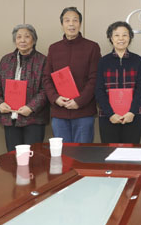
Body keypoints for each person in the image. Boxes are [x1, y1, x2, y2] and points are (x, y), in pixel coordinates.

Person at [43, 7, 101, 143]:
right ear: (62, 24)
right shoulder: (54, 48)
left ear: (80, 24)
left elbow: (95, 78)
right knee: (62, 152)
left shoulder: (92, 47)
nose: (71, 24)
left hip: (83, 112)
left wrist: (79, 101)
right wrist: (56, 98)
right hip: (59, 112)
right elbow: (46, 78)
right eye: (67, 20)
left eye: (75, 20)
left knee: (82, 153)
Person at [0, 24, 49, 152]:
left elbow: (46, 89)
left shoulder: (43, 61)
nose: (22, 40)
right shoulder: (6, 60)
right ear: (15, 40)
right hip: (10, 118)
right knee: (13, 156)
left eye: (27, 37)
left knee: (33, 156)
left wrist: (31, 107)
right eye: (19, 37)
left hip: (34, 118)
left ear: (34, 40)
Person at [95, 21, 141, 144]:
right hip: (108, 117)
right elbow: (99, 90)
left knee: (131, 153)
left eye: (125, 35)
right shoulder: (103, 61)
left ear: (130, 37)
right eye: (117, 35)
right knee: (110, 152)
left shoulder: (137, 60)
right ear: (111, 38)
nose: (121, 38)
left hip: (133, 116)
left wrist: (132, 112)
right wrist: (110, 114)